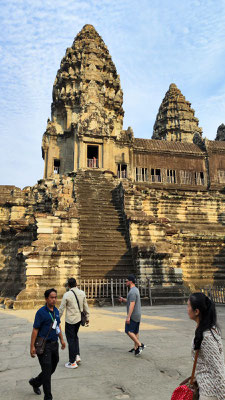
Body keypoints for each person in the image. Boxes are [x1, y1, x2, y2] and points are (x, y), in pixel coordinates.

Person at [187, 292, 225, 400]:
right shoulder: (208, 329)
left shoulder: (207, 337)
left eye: (188, 305)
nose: (187, 309)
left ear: (197, 311)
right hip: (204, 387)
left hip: (210, 393)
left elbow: (218, 370)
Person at [29, 288, 66, 400]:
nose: (54, 300)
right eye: (51, 297)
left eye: (55, 297)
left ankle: (35, 382)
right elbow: (35, 330)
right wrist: (32, 347)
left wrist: (62, 340)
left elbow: (58, 326)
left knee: (51, 369)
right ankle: (48, 397)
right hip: (44, 346)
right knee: (47, 371)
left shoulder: (56, 311)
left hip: (54, 344)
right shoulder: (41, 313)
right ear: (46, 299)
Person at [59, 277, 89, 369]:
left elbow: (61, 309)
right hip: (79, 319)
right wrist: (87, 317)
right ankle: (77, 355)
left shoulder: (67, 295)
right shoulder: (82, 293)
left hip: (70, 320)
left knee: (71, 339)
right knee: (75, 337)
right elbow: (85, 307)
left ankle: (72, 362)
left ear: (68, 285)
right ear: (76, 284)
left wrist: (56, 319)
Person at [119, 274, 145, 356]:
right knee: (135, 332)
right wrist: (124, 300)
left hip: (133, 315)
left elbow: (132, 304)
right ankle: (136, 348)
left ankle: (140, 345)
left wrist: (128, 317)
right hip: (137, 314)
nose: (125, 282)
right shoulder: (135, 290)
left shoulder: (132, 291)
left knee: (128, 331)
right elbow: (130, 301)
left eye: (126, 281)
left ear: (130, 281)